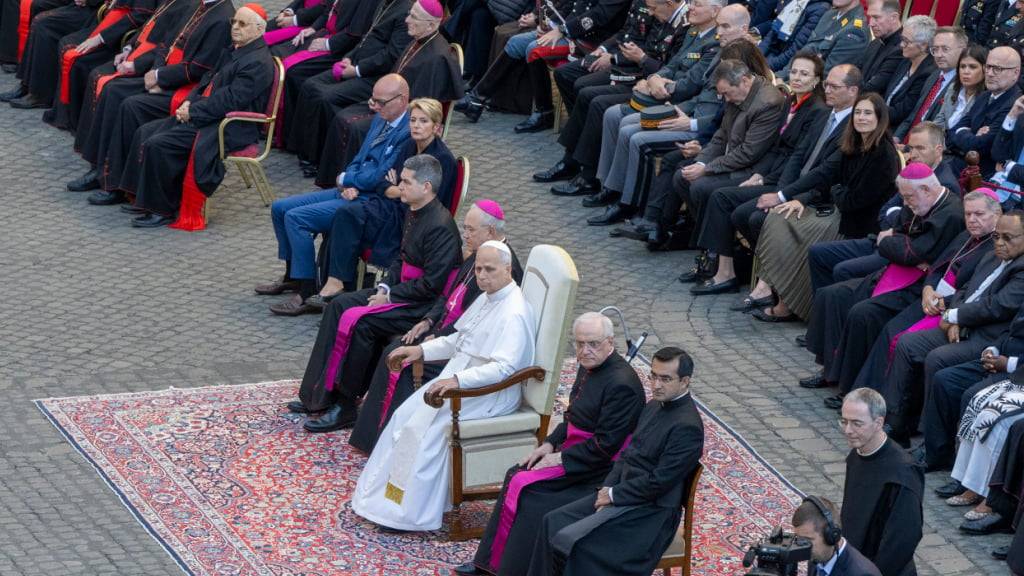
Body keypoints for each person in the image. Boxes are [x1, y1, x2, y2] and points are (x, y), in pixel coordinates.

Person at [351, 241, 535, 531]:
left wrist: (457, 381)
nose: (482, 276)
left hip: (490, 392)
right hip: (460, 380)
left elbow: (504, 368)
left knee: (426, 433)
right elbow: (460, 339)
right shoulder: (488, 298)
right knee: (403, 417)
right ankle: (387, 502)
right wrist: (420, 351)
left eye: (489, 269)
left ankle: (410, 515)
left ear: (508, 270)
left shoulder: (514, 311)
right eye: (478, 269)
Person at [453, 312, 646, 575]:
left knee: (532, 493)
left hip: (598, 469)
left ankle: (514, 569)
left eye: (593, 343)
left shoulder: (622, 384)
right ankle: (488, 563)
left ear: (610, 342)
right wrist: (549, 444)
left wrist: (560, 458)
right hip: (579, 453)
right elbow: (573, 417)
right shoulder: (588, 365)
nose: (584, 351)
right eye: (579, 343)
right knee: (515, 473)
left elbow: (605, 446)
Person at [289, 154, 463, 431]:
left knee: (363, 324)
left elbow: (431, 285)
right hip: (400, 292)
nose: (400, 187)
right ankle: (318, 393)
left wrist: (389, 297)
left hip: (419, 305)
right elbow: (401, 260)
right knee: (338, 305)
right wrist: (384, 287)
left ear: (426, 187)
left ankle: (346, 405)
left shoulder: (441, 226)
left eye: (406, 182)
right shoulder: (414, 210)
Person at [348, 200, 523, 453]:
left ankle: (386, 439)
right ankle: (373, 434)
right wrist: (428, 321)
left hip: (468, 356)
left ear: (491, 231)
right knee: (396, 349)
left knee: (402, 362)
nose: (464, 235)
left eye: (470, 229)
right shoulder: (481, 255)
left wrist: (436, 338)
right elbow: (448, 295)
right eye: (465, 228)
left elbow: (476, 330)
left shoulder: (504, 272)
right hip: (447, 334)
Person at [525, 346, 703, 576]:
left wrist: (613, 495)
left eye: (665, 379)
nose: (656, 385)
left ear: (685, 381)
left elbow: (658, 482)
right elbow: (627, 454)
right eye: (653, 376)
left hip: (650, 514)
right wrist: (607, 487)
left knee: (576, 544)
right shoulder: (653, 406)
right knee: (552, 521)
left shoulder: (688, 427)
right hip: (623, 492)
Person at [109, 4, 275, 230]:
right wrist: (189, 101)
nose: (235, 27)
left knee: (159, 144)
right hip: (209, 113)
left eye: (242, 24)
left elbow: (230, 100)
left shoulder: (258, 62)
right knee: (144, 132)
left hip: (231, 126)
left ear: (259, 29)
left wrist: (193, 111)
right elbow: (208, 79)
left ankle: (162, 209)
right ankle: (140, 196)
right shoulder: (235, 49)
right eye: (234, 22)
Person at [820, 190, 999, 398]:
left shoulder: (995, 247)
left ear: (996, 214)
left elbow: (977, 289)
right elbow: (938, 267)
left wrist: (944, 301)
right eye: (968, 214)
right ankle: (854, 388)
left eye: (979, 214)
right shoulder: (966, 236)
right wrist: (928, 289)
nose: (972, 220)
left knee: (896, 335)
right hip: (931, 297)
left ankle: (878, 397)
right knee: (879, 322)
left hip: (951, 306)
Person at [258, 75, 412, 313]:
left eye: (381, 102)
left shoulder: (407, 132)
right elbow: (360, 158)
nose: (375, 107)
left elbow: (381, 175)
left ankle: (307, 288)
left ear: (402, 100)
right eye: (373, 100)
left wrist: (349, 179)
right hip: (353, 189)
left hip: (370, 199)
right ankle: (292, 275)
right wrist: (347, 178)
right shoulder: (381, 119)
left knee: (297, 218)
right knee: (280, 208)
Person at [685, 50, 827, 298]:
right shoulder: (791, 102)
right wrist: (761, 174)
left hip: (787, 181)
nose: (796, 77)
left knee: (723, 199)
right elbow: (776, 148)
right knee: (716, 195)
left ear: (816, 80)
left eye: (804, 74)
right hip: (771, 172)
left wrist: (778, 190)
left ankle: (733, 271)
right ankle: (723, 268)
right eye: (794, 71)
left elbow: (797, 157)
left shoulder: (816, 110)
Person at [751, 92, 900, 321]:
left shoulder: (884, 155)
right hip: (841, 212)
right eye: (858, 112)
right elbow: (823, 174)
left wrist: (835, 189)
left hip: (858, 225)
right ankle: (782, 299)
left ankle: (795, 307)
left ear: (880, 118)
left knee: (800, 237)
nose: (861, 118)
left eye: (868, 113)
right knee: (780, 217)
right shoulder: (853, 145)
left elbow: (853, 201)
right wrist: (786, 196)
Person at [882, 211, 1024, 443]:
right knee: (907, 343)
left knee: (937, 359)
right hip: (963, 326)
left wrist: (953, 316)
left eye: (1008, 238)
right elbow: (964, 290)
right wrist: (954, 318)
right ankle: (896, 422)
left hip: (987, 338)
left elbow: (998, 306)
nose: (999, 243)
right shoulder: (991, 256)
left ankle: (931, 439)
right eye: (997, 236)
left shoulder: (1021, 267)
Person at [72, 0, 234, 198]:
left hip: (186, 89)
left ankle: (114, 183)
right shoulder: (197, 5)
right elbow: (166, 43)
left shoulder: (222, 18)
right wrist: (155, 72)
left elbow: (198, 69)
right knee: (112, 90)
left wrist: (160, 77)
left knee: (130, 105)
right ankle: (98, 167)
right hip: (166, 75)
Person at [536, 0, 692, 197]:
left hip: (651, 85)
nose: (650, 13)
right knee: (581, 88)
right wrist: (609, 52)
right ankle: (573, 159)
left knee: (595, 100)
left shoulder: (685, 26)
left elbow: (670, 68)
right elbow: (631, 35)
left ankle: (588, 173)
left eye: (653, 8)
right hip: (643, 74)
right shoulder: (666, 15)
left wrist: (634, 62)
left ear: (669, 3)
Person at [310, 98, 456, 306]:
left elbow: (428, 199)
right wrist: (399, 189)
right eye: (413, 120)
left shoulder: (442, 159)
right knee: (344, 216)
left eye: (423, 121)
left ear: (436, 127)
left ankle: (337, 285)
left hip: (411, 218)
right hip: (390, 206)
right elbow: (381, 181)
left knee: (348, 215)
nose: (416, 125)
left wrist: (396, 189)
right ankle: (335, 286)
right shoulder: (409, 146)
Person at [659, 58, 787, 295]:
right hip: (734, 162)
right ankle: (714, 251)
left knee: (703, 188)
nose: (726, 99)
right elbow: (721, 136)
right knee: (683, 178)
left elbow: (749, 152)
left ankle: (716, 257)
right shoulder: (736, 97)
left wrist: (707, 168)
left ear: (745, 81)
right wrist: (701, 162)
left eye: (727, 93)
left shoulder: (768, 103)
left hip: (754, 170)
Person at [309, 0, 464, 188]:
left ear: (431, 25)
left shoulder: (438, 58)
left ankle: (353, 183)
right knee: (341, 116)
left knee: (353, 126)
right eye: (409, 14)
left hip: (405, 116)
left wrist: (386, 104)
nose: (407, 20)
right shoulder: (417, 40)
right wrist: (379, 99)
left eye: (413, 17)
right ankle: (336, 179)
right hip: (391, 103)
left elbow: (424, 105)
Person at [805, 121, 962, 298]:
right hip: (882, 238)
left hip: (900, 253)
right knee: (818, 253)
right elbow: (885, 210)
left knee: (843, 270)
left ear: (938, 150)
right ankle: (823, 307)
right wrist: (894, 222)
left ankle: (836, 310)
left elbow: (920, 237)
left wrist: (892, 231)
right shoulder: (913, 171)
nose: (913, 154)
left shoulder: (944, 185)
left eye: (920, 148)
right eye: (911, 148)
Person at [283, 0, 423, 175]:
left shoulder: (403, 11)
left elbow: (390, 56)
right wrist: (349, 57)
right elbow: (366, 38)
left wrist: (356, 70)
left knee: (325, 97)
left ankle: (319, 159)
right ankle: (301, 146)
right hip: (355, 64)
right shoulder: (384, 3)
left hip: (373, 76)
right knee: (309, 85)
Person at [458, 0, 632, 132]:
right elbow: (571, 4)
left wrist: (563, 30)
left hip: (591, 41)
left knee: (534, 49)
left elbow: (600, 15)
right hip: (570, 30)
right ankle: (476, 99)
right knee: (515, 42)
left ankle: (544, 111)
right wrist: (551, 24)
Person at [923, 306, 1024, 473]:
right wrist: (992, 350)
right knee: (944, 379)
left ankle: (965, 475)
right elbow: (1010, 330)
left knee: (972, 395)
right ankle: (937, 457)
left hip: (1017, 372)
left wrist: (1009, 364)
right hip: (999, 359)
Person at [840, 388, 924, 576]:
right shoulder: (856, 454)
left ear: (878, 423)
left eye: (857, 423)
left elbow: (904, 538)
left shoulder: (903, 471)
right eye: (844, 421)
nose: (848, 430)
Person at [42, 0, 158, 131]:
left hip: (123, 39)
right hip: (119, 27)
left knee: (81, 62)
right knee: (66, 45)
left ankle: (74, 120)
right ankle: (63, 114)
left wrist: (103, 39)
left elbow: (142, 16)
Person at [8, 0, 122, 109]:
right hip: (81, 6)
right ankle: (27, 84)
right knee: (39, 18)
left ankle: (40, 93)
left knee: (42, 25)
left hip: (97, 12)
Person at [945, 46, 1022, 176]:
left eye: (998, 69)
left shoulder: (1015, 105)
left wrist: (963, 132)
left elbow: (982, 146)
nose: (990, 73)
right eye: (988, 67)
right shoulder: (985, 96)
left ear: (1015, 73)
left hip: (981, 175)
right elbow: (951, 133)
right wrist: (971, 135)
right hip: (958, 164)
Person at [891, 26, 968, 141]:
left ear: (962, 50)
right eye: (935, 49)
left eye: (945, 49)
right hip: (907, 139)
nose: (939, 55)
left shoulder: (962, 84)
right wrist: (897, 137)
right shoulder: (932, 75)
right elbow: (914, 115)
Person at [777, 0, 868, 80]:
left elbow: (827, 75)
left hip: (813, 88)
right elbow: (807, 50)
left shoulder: (855, 30)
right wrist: (780, 76)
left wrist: (786, 84)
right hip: (796, 78)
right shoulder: (830, 14)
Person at [791, 496, 882, 576]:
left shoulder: (862, 574)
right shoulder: (817, 556)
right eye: (799, 538)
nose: (801, 546)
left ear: (831, 536)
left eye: (807, 540)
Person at [883, 16, 938, 129]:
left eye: (906, 41)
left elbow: (903, 112)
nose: (901, 45)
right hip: (883, 118)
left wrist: (875, 111)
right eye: (902, 39)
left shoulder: (928, 73)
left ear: (924, 45)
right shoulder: (905, 60)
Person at [758, 0, 830, 72]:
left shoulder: (820, 9)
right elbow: (771, 35)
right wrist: (756, 55)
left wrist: (765, 66)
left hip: (784, 63)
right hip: (773, 53)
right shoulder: (796, 1)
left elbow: (795, 50)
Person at [930, 43, 986, 132]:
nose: (966, 72)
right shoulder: (953, 88)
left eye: (972, 67)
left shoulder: (986, 98)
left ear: (985, 69)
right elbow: (941, 118)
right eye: (962, 66)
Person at [858, 0, 904, 96]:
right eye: (870, 17)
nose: (871, 23)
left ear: (894, 17)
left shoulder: (902, 48)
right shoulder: (875, 43)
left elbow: (875, 87)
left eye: (876, 17)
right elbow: (857, 73)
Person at [990, 94, 1024, 205]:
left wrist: (1008, 166)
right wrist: (1012, 115)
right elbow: (997, 154)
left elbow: (1003, 163)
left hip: (1019, 199)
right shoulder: (1021, 116)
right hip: (998, 185)